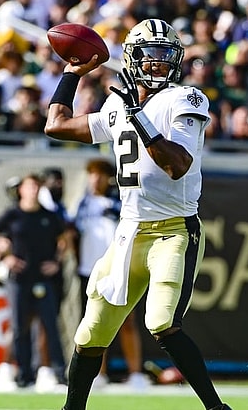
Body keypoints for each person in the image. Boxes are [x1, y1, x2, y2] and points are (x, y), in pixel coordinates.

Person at [43, 18, 231, 410]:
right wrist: (71, 73)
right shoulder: (117, 104)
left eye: (166, 56)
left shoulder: (186, 99)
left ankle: (217, 409)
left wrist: (138, 115)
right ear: (132, 57)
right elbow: (56, 124)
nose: (159, 64)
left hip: (173, 232)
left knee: (161, 322)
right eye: (151, 54)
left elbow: (177, 164)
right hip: (129, 232)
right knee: (90, 332)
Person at [0, 173, 67, 389]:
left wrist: (56, 262)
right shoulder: (12, 215)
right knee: (18, 327)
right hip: (18, 279)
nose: (34, 190)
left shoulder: (49, 216)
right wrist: (3, 258)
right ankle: (21, 374)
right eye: (30, 186)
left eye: (37, 186)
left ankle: (54, 373)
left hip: (43, 279)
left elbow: (64, 240)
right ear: (21, 190)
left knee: (49, 326)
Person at [73, 158, 149, 390]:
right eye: (91, 174)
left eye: (99, 174)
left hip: (119, 268)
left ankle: (136, 374)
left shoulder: (121, 203)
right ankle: (99, 374)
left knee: (127, 321)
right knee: (95, 323)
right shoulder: (82, 205)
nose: (95, 179)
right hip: (89, 270)